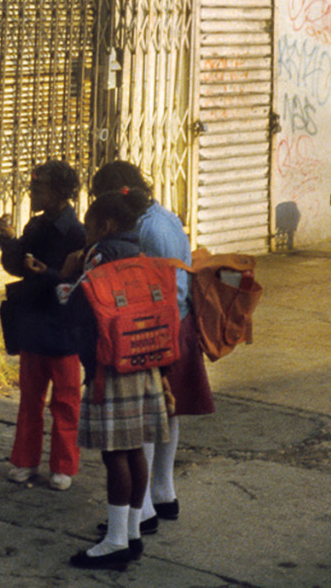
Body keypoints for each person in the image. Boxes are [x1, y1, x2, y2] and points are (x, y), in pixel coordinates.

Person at [88, 161, 208, 529]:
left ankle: (146, 510)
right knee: (165, 414)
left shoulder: (149, 229)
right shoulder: (162, 217)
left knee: (150, 418)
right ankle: (163, 494)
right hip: (175, 324)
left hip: (161, 329)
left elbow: (157, 291)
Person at [62, 187, 167, 571]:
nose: (86, 232)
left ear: (104, 225)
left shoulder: (101, 257)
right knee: (135, 449)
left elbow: (77, 312)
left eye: (89, 225)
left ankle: (116, 541)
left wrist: (66, 279)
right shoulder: (140, 253)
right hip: (144, 362)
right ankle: (132, 531)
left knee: (115, 455)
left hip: (112, 367)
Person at [0, 160, 88, 491]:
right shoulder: (35, 226)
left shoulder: (77, 232)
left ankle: (64, 465)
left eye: (39, 188)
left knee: (65, 400)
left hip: (63, 329)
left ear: (60, 193)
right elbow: (17, 266)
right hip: (33, 324)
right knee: (30, 398)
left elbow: (75, 283)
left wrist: (46, 273)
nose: (32, 193)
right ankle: (25, 460)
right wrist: (7, 240)